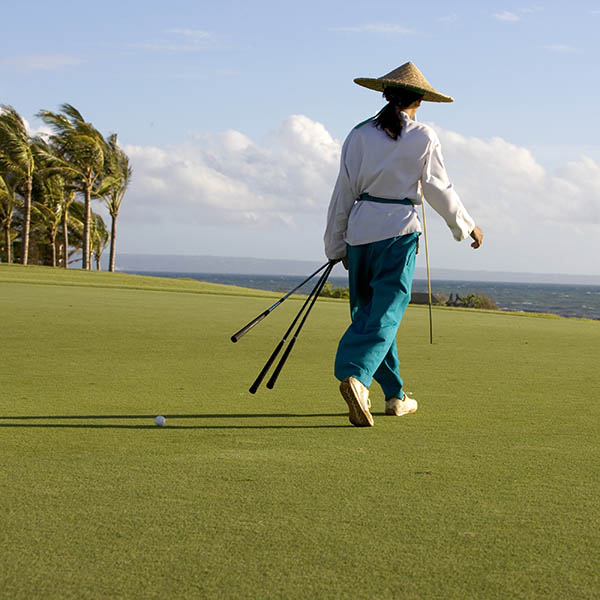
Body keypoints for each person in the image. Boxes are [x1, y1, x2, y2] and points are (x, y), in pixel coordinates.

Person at [324, 61, 483, 427]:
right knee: (385, 313)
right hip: (398, 233)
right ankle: (356, 375)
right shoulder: (423, 135)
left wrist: (335, 245)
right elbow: (438, 188)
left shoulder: (359, 134)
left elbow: (343, 193)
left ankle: (395, 396)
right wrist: (467, 227)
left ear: (384, 94)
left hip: (360, 234)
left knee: (374, 315)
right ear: (420, 101)